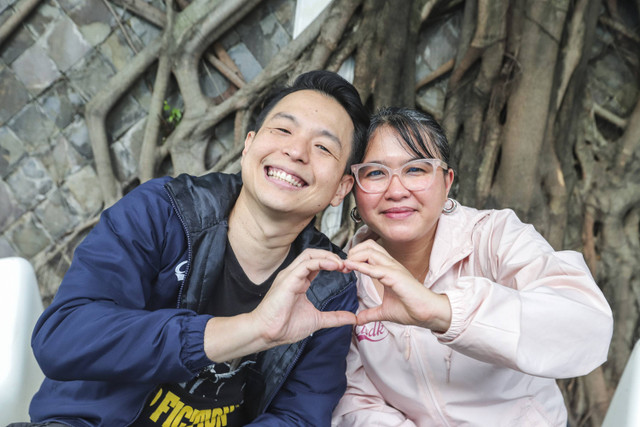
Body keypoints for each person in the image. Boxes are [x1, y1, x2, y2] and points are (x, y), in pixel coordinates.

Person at [19, 70, 370, 427]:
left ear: (341, 189)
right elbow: (63, 336)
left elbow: (298, 418)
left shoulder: (328, 286)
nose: (296, 151)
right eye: (282, 129)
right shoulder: (164, 211)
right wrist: (250, 330)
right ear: (249, 144)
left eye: (323, 147)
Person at [331, 107, 613, 426]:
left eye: (416, 170)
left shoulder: (493, 238)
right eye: (376, 173)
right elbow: (356, 400)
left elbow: (586, 328)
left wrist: (443, 312)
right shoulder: (345, 278)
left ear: (447, 182)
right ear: (354, 186)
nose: (396, 191)